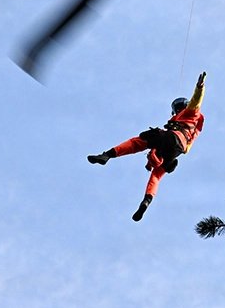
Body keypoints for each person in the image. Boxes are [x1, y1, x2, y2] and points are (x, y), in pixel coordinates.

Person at [87, 71, 206, 221]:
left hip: (171, 138)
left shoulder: (190, 113)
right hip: (175, 152)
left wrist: (200, 86)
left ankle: (107, 155)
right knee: (155, 176)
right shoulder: (193, 132)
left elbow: (196, 101)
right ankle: (146, 201)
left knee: (138, 142)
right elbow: (186, 149)